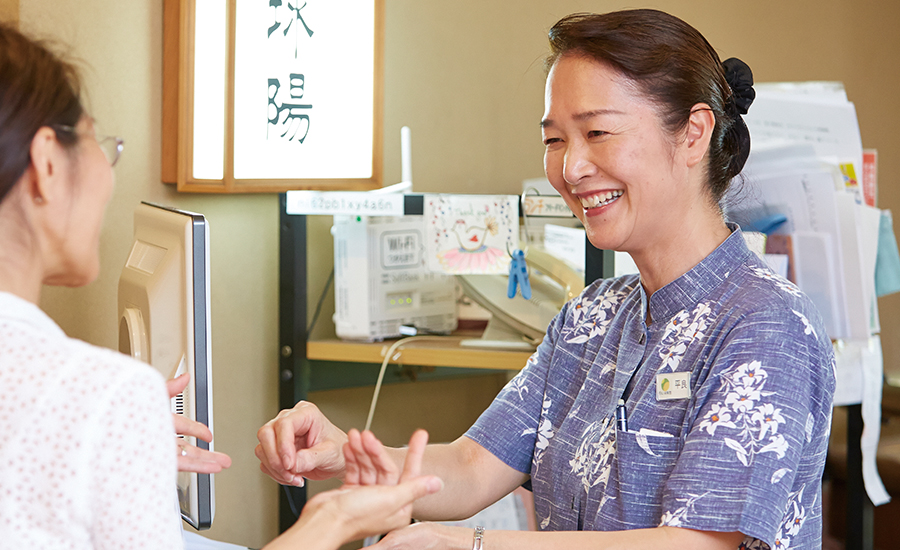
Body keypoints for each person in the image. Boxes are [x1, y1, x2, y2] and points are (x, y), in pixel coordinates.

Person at [255, 9, 836, 550]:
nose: (571, 167)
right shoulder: (591, 317)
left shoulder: (766, 325)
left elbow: (693, 544)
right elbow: (473, 466)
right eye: (554, 139)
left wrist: (476, 544)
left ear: (693, 133)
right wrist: (342, 450)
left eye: (598, 133)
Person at [0, 23, 441, 549]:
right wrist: (334, 522)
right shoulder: (104, 397)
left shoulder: (94, 409)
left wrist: (113, 446)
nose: (108, 170)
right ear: (47, 162)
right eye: (98, 141)